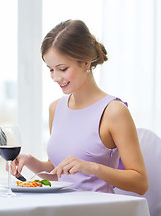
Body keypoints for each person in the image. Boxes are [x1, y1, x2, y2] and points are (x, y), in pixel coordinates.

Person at [11, 20, 148, 195]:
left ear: (85, 63)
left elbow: (141, 183)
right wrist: (30, 161)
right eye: (51, 69)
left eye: (62, 68)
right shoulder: (56, 108)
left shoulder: (113, 111)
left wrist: (92, 168)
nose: (55, 77)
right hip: (62, 207)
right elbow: (59, 174)